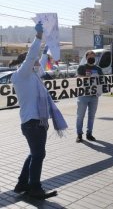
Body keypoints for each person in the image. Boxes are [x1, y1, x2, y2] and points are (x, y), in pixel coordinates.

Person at [11, 23, 59, 199]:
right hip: (32, 123)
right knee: (38, 154)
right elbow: (32, 56)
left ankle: (22, 183)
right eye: (36, 61)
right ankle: (34, 188)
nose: (39, 63)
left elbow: (42, 61)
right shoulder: (22, 74)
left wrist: (48, 46)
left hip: (37, 122)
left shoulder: (33, 75)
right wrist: (38, 36)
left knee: (35, 153)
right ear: (28, 62)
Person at [76, 50, 103, 142]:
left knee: (91, 116)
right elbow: (77, 78)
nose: (92, 58)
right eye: (90, 57)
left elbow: (102, 80)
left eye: (93, 57)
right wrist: (85, 77)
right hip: (83, 95)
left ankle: (89, 134)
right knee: (80, 116)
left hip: (94, 96)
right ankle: (79, 135)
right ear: (86, 57)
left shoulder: (98, 68)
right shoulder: (82, 67)